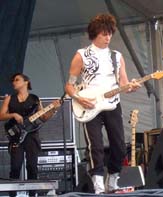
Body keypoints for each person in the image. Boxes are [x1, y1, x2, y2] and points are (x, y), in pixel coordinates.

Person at [64, 14, 140, 194]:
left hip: (113, 104)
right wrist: (79, 98)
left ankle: (113, 180)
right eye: (103, 34)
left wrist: (132, 87)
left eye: (110, 34)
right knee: (95, 146)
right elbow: (69, 85)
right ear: (94, 34)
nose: (108, 38)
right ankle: (98, 185)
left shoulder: (117, 56)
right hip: (90, 104)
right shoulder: (81, 55)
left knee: (120, 145)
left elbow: (124, 84)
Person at [0, 73, 59, 197]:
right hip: (16, 135)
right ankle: (13, 195)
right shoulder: (10, 98)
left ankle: (33, 195)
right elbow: (1, 115)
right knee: (15, 167)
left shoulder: (35, 99)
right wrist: (13, 115)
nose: (14, 82)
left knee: (32, 167)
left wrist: (53, 109)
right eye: (13, 81)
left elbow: (42, 117)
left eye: (17, 80)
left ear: (26, 82)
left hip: (31, 136)